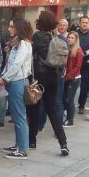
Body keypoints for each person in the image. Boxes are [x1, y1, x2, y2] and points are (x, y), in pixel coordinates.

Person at [26, 11, 69, 155]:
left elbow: (31, 53)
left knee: (34, 108)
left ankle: (32, 140)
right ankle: (63, 143)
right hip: (54, 77)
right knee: (53, 110)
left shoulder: (38, 36)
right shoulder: (55, 36)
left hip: (40, 77)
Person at [0, 18, 33, 159]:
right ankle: (18, 144)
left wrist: (4, 78)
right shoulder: (17, 43)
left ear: (18, 28)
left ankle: (22, 149)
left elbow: (16, 65)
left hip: (18, 82)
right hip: (14, 82)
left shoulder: (24, 44)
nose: (9, 29)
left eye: (12, 27)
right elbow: (9, 63)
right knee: (17, 115)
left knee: (19, 116)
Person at [63, 31, 83, 126]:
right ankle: (67, 118)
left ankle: (70, 120)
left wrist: (68, 76)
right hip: (67, 77)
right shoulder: (68, 49)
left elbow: (78, 67)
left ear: (76, 40)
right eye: (69, 37)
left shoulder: (78, 51)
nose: (70, 39)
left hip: (74, 78)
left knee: (69, 99)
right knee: (66, 99)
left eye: (72, 38)